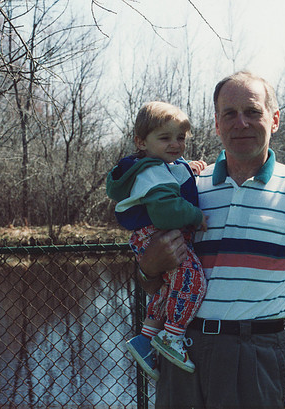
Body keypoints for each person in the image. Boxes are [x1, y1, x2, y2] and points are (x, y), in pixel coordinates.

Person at [138, 72, 285, 409]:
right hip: (181, 349)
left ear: (274, 119)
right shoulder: (186, 189)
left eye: (252, 112)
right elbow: (158, 282)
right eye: (230, 113)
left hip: (257, 354)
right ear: (217, 124)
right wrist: (148, 268)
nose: (241, 123)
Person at [106, 101, 208, 380]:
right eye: (165, 138)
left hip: (148, 237)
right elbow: (166, 211)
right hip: (158, 234)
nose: (175, 144)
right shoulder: (152, 172)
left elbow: (171, 177)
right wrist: (196, 215)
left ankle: (147, 338)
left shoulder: (158, 165)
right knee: (193, 281)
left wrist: (189, 169)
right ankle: (172, 337)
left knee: (168, 287)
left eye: (180, 137)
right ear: (141, 142)